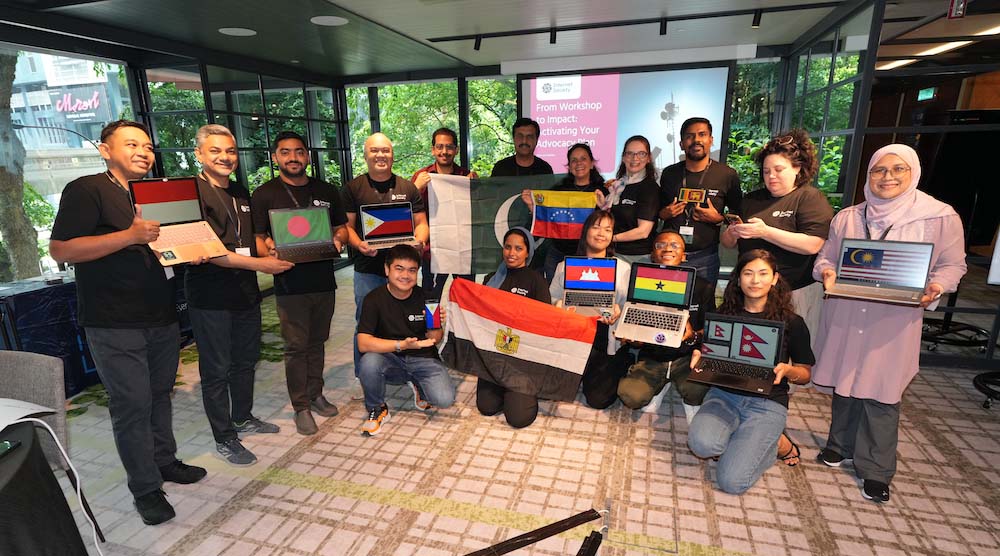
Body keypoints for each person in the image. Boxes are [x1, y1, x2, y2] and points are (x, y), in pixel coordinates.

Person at [49, 120, 206, 526]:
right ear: (105, 150)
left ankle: (164, 461)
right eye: (132, 144)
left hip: (160, 316)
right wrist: (129, 236)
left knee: (159, 395)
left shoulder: (150, 195)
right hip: (113, 321)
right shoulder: (87, 189)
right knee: (131, 405)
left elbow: (165, 243)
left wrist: (194, 248)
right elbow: (61, 250)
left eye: (148, 146)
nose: (144, 152)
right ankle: (145, 488)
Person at [811, 144, 967, 504]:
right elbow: (826, 257)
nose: (888, 177)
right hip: (849, 311)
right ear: (869, 175)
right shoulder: (848, 216)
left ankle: (876, 470)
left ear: (913, 173)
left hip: (894, 319)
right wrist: (829, 272)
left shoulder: (939, 217)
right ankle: (840, 445)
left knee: (882, 391)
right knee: (845, 381)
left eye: (898, 169)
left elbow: (953, 265)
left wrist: (937, 286)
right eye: (879, 170)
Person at [187, 124, 293, 465]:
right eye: (216, 151)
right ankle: (224, 436)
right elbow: (209, 250)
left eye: (231, 151)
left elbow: (249, 240)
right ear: (199, 155)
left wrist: (269, 250)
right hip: (211, 296)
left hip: (246, 293)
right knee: (216, 369)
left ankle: (242, 416)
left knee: (246, 360)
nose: (225, 157)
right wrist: (262, 265)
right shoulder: (192, 194)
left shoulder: (239, 191)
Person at [687, 249, 815, 494]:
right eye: (748, 273)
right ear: (738, 278)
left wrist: (788, 371)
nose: (755, 281)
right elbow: (710, 350)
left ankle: (777, 443)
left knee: (732, 482)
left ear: (775, 278)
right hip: (724, 395)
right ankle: (752, 438)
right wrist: (700, 355)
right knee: (703, 446)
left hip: (767, 402)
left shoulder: (792, 322)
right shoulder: (724, 313)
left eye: (763, 273)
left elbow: (805, 373)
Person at [251, 130, 349, 436]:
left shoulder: (327, 190)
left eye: (298, 152)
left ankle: (316, 393)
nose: (293, 157)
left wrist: (337, 240)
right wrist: (269, 250)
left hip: (323, 281)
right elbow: (257, 239)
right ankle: (301, 406)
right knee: (296, 347)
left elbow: (342, 229)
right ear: (276, 156)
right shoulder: (265, 194)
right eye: (285, 152)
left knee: (318, 342)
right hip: (290, 283)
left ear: (307, 155)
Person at [721, 129, 833, 345]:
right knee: (751, 347)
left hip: (796, 290)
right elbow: (727, 244)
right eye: (766, 171)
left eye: (779, 169)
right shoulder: (751, 200)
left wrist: (766, 232)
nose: (771, 176)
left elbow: (813, 244)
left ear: (797, 168)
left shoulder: (809, 198)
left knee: (793, 349)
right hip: (752, 291)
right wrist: (732, 234)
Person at [343, 133, 429, 379]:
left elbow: (421, 223)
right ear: (366, 155)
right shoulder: (353, 189)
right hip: (368, 270)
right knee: (366, 322)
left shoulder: (407, 187)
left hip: (403, 270)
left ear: (392, 154)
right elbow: (346, 227)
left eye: (386, 151)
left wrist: (419, 241)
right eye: (375, 151)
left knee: (402, 320)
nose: (381, 155)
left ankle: (401, 371)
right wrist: (360, 244)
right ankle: (365, 376)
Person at [356, 244, 456, 436]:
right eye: (399, 269)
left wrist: (437, 325)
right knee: (368, 363)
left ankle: (418, 383)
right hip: (390, 357)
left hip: (423, 358)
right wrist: (401, 345)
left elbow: (434, 339)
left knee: (445, 400)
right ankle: (377, 408)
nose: (405, 276)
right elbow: (363, 342)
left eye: (412, 270)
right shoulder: (373, 299)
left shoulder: (427, 298)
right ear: (387, 269)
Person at [613, 230, 716, 413]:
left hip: (686, 357)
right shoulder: (640, 283)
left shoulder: (703, 286)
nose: (668, 248)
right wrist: (634, 337)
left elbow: (712, 329)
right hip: (652, 357)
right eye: (660, 245)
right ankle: (660, 383)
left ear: (684, 256)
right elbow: (635, 326)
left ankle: (671, 380)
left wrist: (692, 336)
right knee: (631, 396)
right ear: (652, 255)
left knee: (697, 392)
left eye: (675, 245)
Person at [548, 210, 629, 409]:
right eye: (596, 227)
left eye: (608, 229)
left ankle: (620, 364)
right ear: (586, 232)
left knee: (598, 400)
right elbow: (552, 298)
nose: (602, 233)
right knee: (556, 391)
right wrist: (560, 307)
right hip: (573, 336)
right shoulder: (564, 266)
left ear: (612, 237)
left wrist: (618, 311)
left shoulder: (623, 269)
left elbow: (629, 308)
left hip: (604, 336)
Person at [477, 227, 552, 427]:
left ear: (528, 252)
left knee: (519, 418)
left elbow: (544, 323)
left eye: (518, 248)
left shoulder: (537, 281)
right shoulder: (491, 279)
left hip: (523, 358)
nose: (511, 253)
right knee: (487, 407)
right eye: (508, 247)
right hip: (495, 355)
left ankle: (523, 388)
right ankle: (503, 386)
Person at [659, 117, 742, 291]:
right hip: (669, 255)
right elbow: (658, 211)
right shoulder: (669, 173)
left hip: (705, 257)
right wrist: (664, 214)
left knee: (701, 310)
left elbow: (738, 216)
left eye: (702, 134)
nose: (696, 140)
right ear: (682, 144)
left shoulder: (727, 175)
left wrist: (718, 219)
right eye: (690, 136)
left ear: (710, 140)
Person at [521, 143, 609, 283]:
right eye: (574, 160)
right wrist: (532, 206)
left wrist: (603, 206)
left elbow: (608, 223)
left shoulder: (601, 192)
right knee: (554, 296)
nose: (578, 163)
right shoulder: (558, 190)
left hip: (588, 255)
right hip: (557, 253)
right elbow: (548, 220)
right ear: (569, 166)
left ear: (592, 164)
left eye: (583, 159)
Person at [410, 127, 477, 299]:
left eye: (449, 147)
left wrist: (476, 188)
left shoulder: (465, 176)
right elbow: (405, 209)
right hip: (433, 251)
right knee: (430, 297)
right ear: (433, 149)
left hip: (461, 249)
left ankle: (460, 327)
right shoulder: (421, 176)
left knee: (466, 296)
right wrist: (416, 188)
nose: (444, 152)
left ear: (456, 150)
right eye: (439, 147)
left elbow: (478, 212)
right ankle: (432, 327)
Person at [598, 135, 659, 264]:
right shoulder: (616, 186)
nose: (634, 158)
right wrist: (603, 206)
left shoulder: (649, 188)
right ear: (623, 157)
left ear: (648, 158)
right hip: (612, 253)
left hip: (638, 257)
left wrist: (610, 238)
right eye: (629, 153)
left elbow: (643, 232)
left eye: (641, 154)